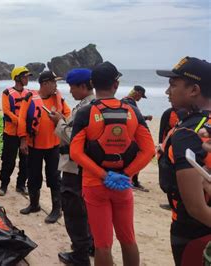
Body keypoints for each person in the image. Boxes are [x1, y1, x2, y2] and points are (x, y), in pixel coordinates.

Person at [70, 61, 155, 266]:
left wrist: (103, 175)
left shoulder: (85, 113)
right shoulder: (132, 111)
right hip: (122, 185)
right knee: (128, 239)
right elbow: (149, 150)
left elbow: (75, 152)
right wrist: (126, 174)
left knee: (103, 245)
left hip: (94, 184)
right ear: (116, 85)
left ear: (92, 83)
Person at [156, 57, 211, 265]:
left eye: (173, 84)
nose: (167, 92)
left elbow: (196, 208)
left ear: (194, 90)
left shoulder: (187, 133)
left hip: (192, 232)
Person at [18, 71, 71, 224]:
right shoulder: (29, 98)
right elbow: (22, 120)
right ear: (46, 83)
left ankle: (56, 209)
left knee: (54, 177)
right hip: (34, 145)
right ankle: (34, 204)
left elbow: (68, 116)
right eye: (54, 82)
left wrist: (60, 118)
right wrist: (23, 141)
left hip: (53, 146)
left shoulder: (59, 98)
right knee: (33, 175)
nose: (56, 85)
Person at [55, 69, 95, 265]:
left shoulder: (84, 109)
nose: (70, 91)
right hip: (91, 168)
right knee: (89, 210)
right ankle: (91, 245)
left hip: (75, 168)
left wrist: (59, 122)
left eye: (72, 87)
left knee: (74, 212)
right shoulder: (98, 105)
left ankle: (80, 255)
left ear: (82, 86)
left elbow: (72, 137)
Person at [0, 66, 32, 196]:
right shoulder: (6, 93)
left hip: (25, 134)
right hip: (11, 133)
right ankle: (4, 184)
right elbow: (7, 112)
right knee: (8, 160)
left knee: (26, 161)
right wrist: (20, 121)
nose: (27, 79)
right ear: (17, 78)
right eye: (25, 76)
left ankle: (21, 185)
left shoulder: (29, 93)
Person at [122, 85, 152, 192]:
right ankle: (133, 180)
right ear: (137, 93)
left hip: (127, 133)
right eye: (141, 96)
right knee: (137, 156)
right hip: (132, 135)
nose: (140, 98)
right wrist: (145, 118)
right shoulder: (129, 102)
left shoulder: (124, 101)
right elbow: (134, 117)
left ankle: (133, 180)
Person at [158, 106, 181, 210]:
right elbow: (162, 129)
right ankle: (171, 202)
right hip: (168, 148)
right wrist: (160, 144)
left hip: (180, 148)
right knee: (168, 176)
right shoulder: (168, 113)